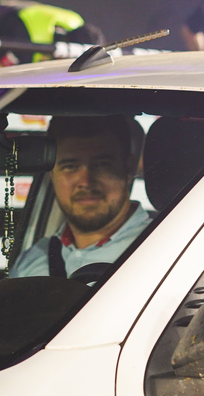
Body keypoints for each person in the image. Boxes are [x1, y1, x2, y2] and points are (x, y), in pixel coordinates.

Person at [11, 115, 148, 279]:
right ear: (52, 175)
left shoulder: (165, 251)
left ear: (129, 169)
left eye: (102, 165)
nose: (85, 182)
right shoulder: (31, 262)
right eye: (70, 167)